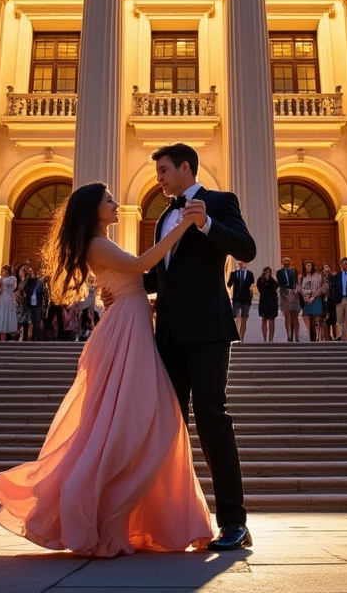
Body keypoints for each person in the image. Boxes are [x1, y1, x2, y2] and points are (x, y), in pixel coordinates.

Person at [0, 182, 213, 557]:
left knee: (144, 418)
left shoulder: (101, 241)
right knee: (139, 419)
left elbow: (132, 279)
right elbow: (139, 266)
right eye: (109, 200)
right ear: (92, 209)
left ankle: (129, 513)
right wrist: (184, 226)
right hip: (124, 329)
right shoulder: (97, 242)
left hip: (130, 321)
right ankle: (95, 502)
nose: (117, 204)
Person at [142, 143, 256, 550]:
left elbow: (246, 248)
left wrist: (208, 224)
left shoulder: (220, 202)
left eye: (163, 170)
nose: (159, 178)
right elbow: (163, 276)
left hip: (208, 331)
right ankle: (168, 520)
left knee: (211, 417)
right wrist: (125, 287)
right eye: (157, 172)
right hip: (169, 335)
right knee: (166, 426)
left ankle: (234, 523)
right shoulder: (162, 219)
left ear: (185, 167)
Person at [227, 261, 254, 340]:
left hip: (246, 299)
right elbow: (229, 284)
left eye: (244, 263)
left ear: (246, 264)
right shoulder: (234, 274)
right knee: (236, 316)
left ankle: (242, 337)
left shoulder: (250, 274)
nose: (242, 265)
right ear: (238, 264)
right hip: (237, 299)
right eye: (241, 263)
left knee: (244, 318)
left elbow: (252, 285)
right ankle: (236, 335)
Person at [298, 260, 325, 342]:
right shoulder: (302, 277)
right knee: (307, 318)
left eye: (309, 265)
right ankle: (310, 337)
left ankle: (318, 337)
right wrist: (302, 292)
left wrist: (316, 293)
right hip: (306, 300)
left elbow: (323, 286)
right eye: (306, 265)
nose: (308, 267)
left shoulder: (319, 276)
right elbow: (300, 287)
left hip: (316, 299)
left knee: (317, 319)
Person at [276, 257, 301, 342]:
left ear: (291, 262)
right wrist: (286, 291)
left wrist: (294, 290)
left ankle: (297, 336)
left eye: (288, 261)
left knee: (295, 316)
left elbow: (297, 282)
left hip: (294, 294)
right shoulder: (279, 272)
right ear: (282, 262)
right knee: (287, 316)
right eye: (285, 261)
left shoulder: (294, 271)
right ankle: (289, 336)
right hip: (284, 294)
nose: (286, 262)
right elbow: (280, 283)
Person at [330, 257, 347, 342]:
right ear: (341, 265)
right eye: (343, 264)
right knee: (339, 319)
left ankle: (346, 336)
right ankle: (340, 335)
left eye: (346, 263)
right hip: (340, 299)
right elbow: (333, 288)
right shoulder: (336, 277)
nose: (344, 265)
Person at [0, 262, 19, 340]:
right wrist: (0, 289)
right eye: (3, 270)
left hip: (9, 297)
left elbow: (13, 287)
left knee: (8, 313)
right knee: (2, 314)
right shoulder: (1, 278)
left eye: (5, 270)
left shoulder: (13, 278)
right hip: (2, 298)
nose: (4, 271)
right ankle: (2, 334)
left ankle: (9, 331)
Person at [255, 266, 278, 343]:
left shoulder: (272, 280)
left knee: (272, 320)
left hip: (272, 302)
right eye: (266, 272)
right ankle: (264, 338)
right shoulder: (260, 280)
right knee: (264, 320)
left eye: (269, 272)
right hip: (264, 301)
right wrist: (264, 280)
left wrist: (270, 279)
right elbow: (260, 289)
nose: (268, 274)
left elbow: (275, 287)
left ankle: (271, 338)